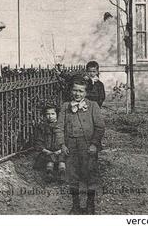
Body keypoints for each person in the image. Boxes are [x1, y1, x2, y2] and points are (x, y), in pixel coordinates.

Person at [56, 75, 105, 215]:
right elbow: (59, 127)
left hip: (88, 146)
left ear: (86, 93)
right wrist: (62, 144)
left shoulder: (93, 106)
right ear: (71, 91)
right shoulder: (65, 106)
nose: (77, 94)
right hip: (71, 146)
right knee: (73, 175)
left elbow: (100, 127)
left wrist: (94, 144)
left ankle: (90, 205)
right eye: (75, 90)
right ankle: (75, 205)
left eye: (81, 91)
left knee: (90, 173)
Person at [33, 104, 66, 182]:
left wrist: (61, 150)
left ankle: (62, 173)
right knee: (49, 160)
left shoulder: (63, 126)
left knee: (62, 160)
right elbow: (38, 141)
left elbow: (68, 139)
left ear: (57, 115)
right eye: (47, 114)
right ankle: (49, 173)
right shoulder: (42, 127)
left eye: (52, 114)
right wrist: (44, 150)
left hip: (61, 150)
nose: (50, 116)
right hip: (48, 151)